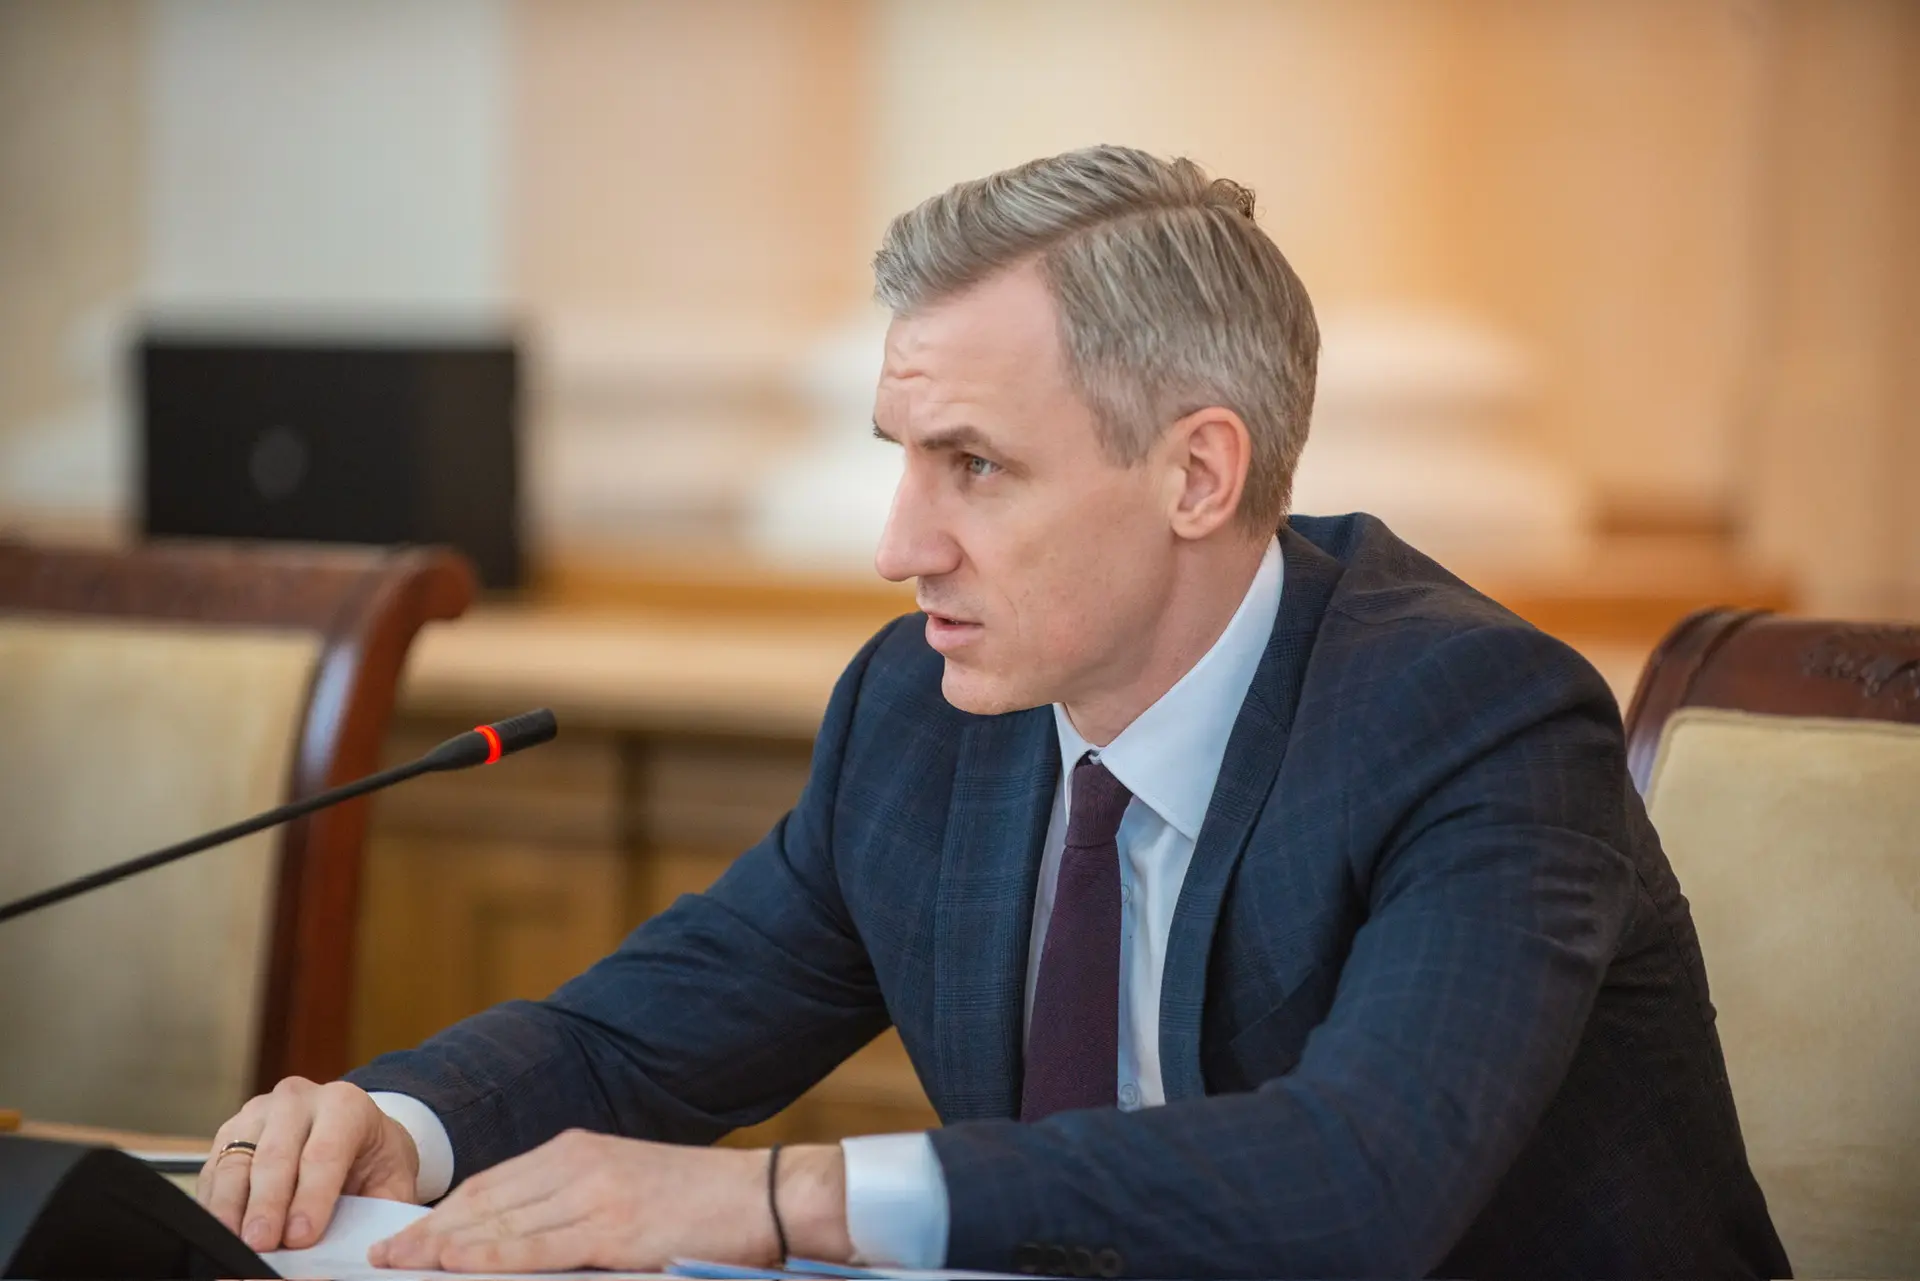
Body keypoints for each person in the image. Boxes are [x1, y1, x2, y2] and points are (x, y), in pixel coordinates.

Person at [196, 145, 1789, 1279]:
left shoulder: (1472, 721)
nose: (902, 547)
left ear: (1197, 472)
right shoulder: (924, 708)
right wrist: (403, 1123)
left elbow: (1359, 1180)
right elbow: (643, 1035)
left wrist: (780, 1203)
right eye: (903, 459)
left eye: (975, 466)